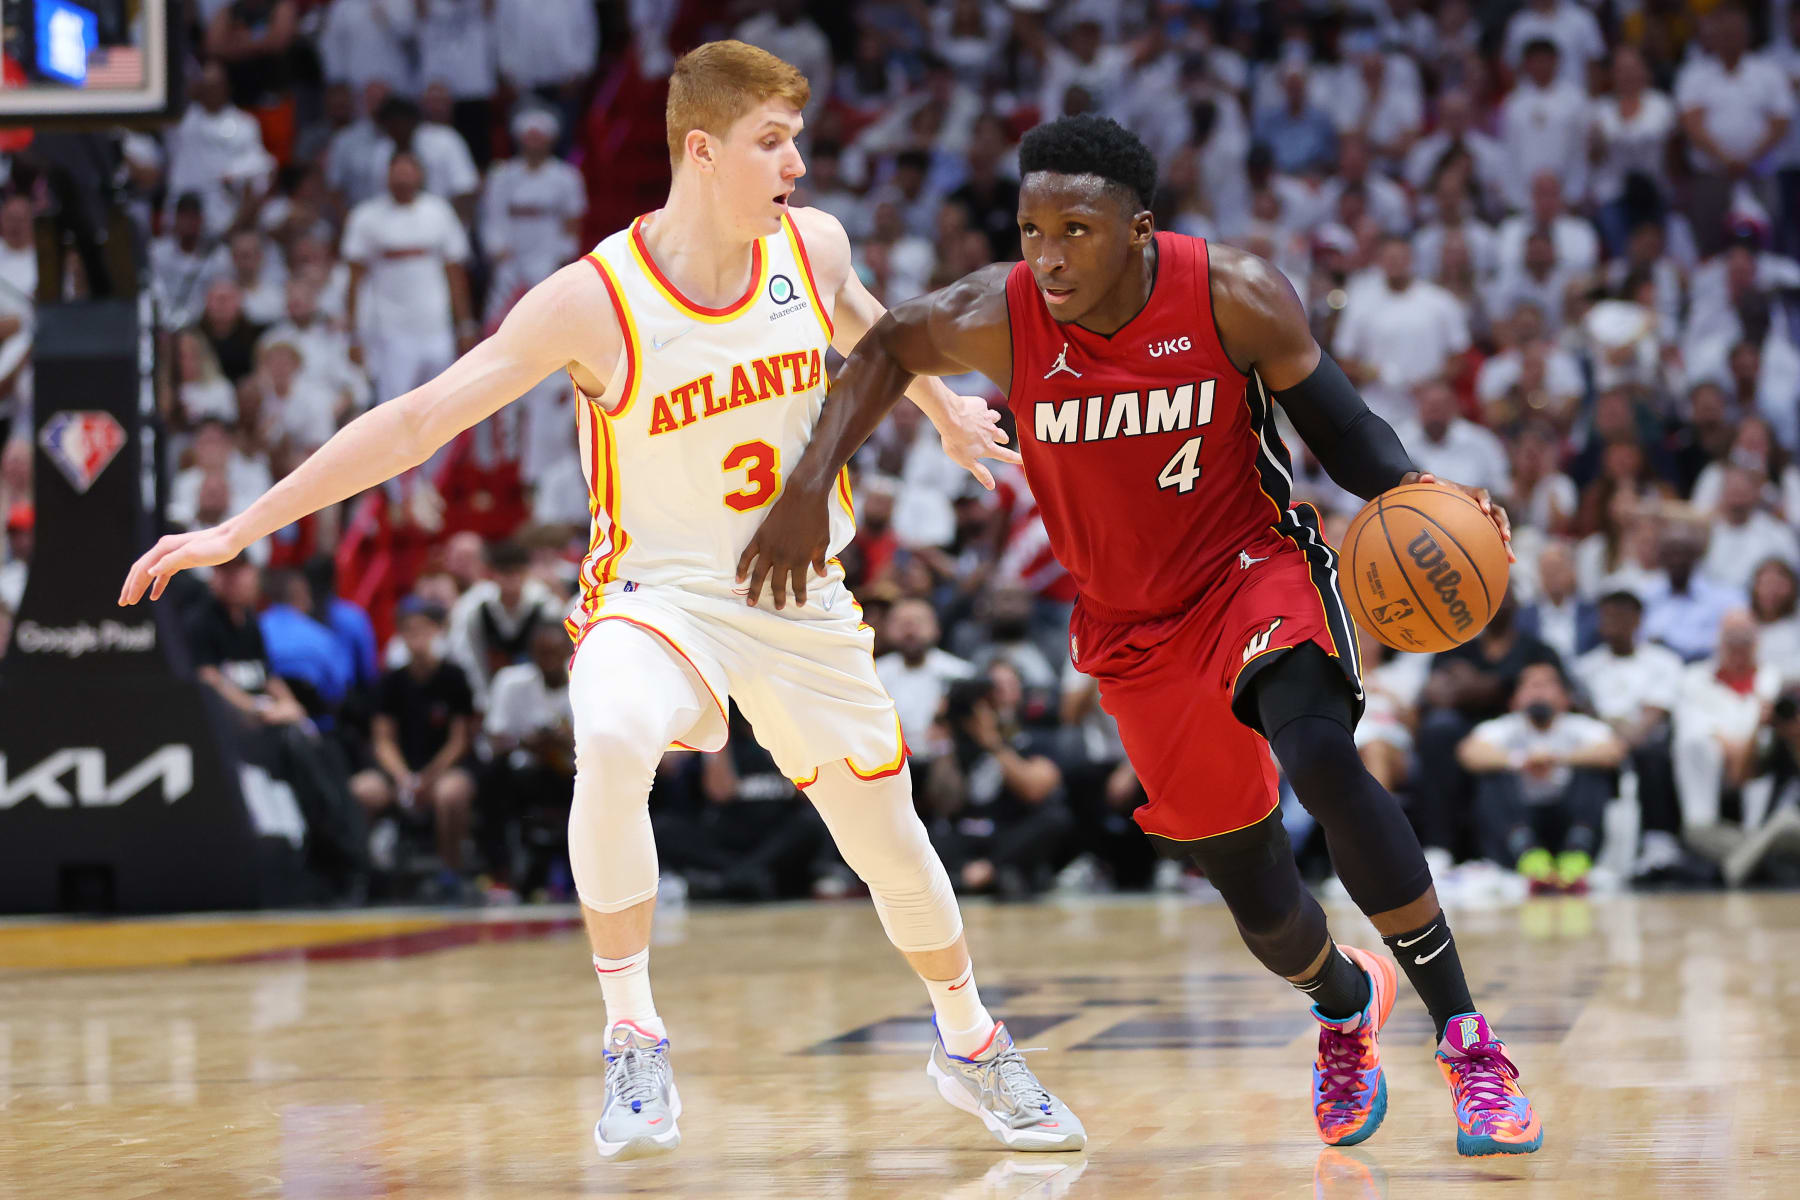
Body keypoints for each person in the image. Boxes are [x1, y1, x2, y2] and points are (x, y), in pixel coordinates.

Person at [118, 41, 1076, 1162]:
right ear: (704, 151)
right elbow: (420, 421)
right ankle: (632, 1032)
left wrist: (942, 409)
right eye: (776, 143)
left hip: (800, 601)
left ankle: (968, 1041)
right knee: (612, 732)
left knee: (891, 842)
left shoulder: (808, 247)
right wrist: (241, 528)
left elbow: (874, 326)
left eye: (799, 141)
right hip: (657, 595)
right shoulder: (595, 300)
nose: (800, 165)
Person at [738, 113, 1542, 1158]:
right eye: (1031, 228)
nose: (1050, 254)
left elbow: (1343, 434)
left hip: (1250, 569)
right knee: (1261, 904)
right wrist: (810, 488)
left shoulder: (1232, 294)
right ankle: (1346, 1004)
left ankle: (1471, 1045)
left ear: (1140, 228)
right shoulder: (1003, 315)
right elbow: (887, 345)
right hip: (1130, 628)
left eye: (1077, 228)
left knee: (1321, 756)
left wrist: (1427, 494)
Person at [1457, 661, 1625, 892]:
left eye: (1547, 684)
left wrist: (1557, 758)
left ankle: (1576, 857)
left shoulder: (1579, 726)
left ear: (1566, 699)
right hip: (1518, 823)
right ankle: (1529, 858)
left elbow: (1614, 751)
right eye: (1530, 685)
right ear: (1514, 701)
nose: (1538, 691)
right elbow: (1469, 753)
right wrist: (1520, 761)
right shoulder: (1503, 728)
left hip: (1568, 821)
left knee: (1594, 771)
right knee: (1490, 776)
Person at [361, 597, 478, 899]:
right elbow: (383, 739)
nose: (418, 638)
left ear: (438, 631)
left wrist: (426, 778)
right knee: (363, 790)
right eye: (410, 631)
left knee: (450, 793)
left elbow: (459, 740)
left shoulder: (454, 677)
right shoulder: (391, 681)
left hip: (443, 768)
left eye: (424, 630)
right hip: (401, 770)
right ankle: (366, 872)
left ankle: (451, 871)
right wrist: (404, 778)